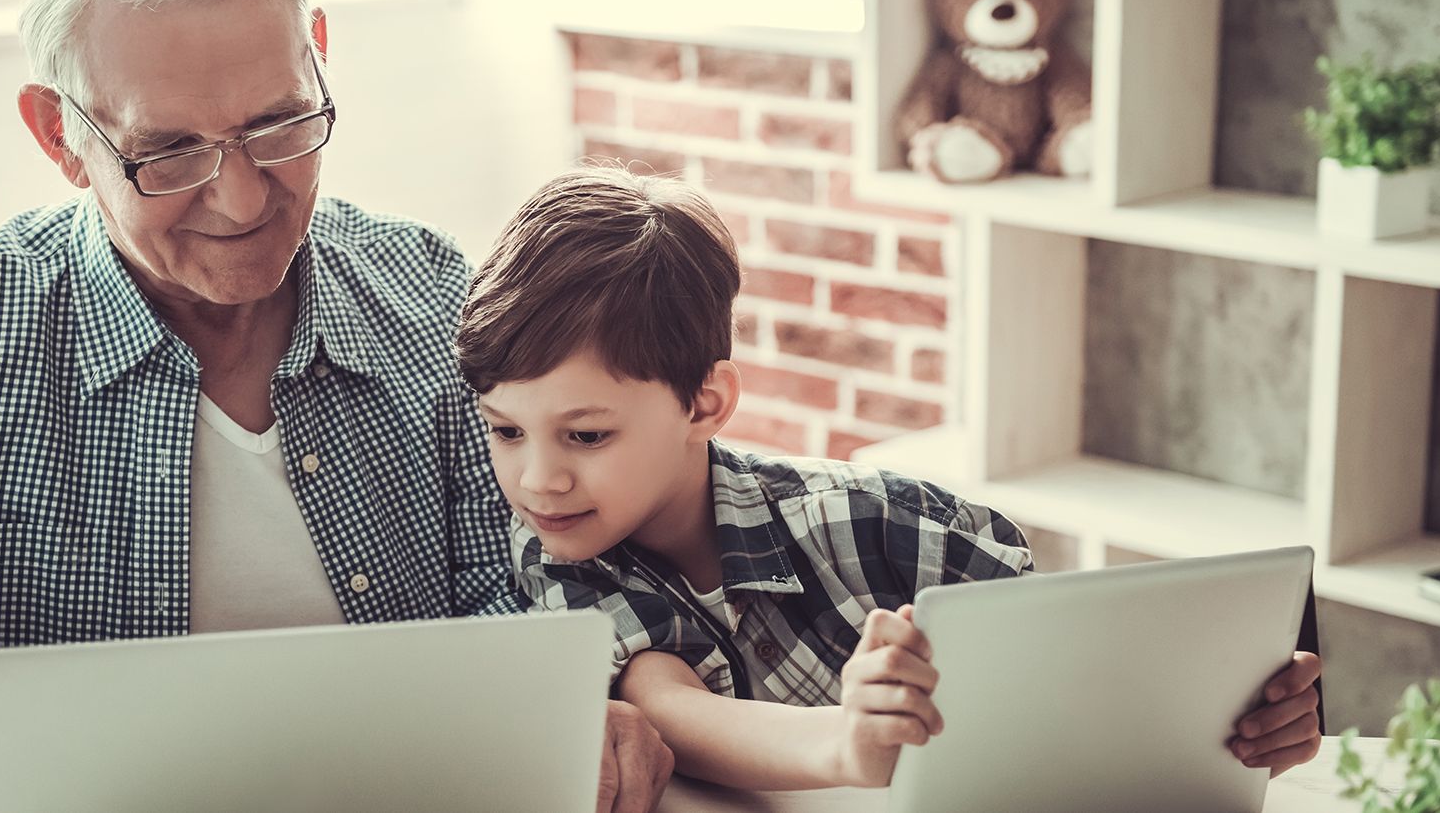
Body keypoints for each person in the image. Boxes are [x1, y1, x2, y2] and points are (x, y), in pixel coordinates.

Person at [0, 0, 672, 809]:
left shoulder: (428, 293)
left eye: (281, 125)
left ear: (319, 55)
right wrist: (107, 721)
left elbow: (534, 591)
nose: (241, 201)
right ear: (59, 136)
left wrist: (589, 696)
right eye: (167, 153)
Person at [453, 166, 1327, 789]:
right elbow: (672, 708)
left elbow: (1076, 675)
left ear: (706, 405)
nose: (538, 479)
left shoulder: (882, 524)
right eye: (504, 429)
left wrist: (1236, 713)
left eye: (587, 434)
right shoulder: (555, 562)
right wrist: (848, 744)